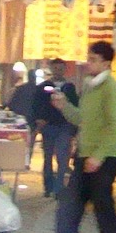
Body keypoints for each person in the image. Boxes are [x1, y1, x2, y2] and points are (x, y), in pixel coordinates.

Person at [36, 42, 116, 233]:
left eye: (92, 59)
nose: (87, 62)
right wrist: (64, 107)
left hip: (103, 160)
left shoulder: (112, 91)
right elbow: (83, 120)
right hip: (85, 157)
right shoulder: (90, 89)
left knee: (105, 215)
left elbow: (115, 129)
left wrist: (98, 156)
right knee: (67, 210)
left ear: (105, 63)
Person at [33, 62, 78, 197]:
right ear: (51, 69)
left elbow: (75, 105)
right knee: (47, 158)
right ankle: (48, 187)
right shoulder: (43, 86)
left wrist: (74, 127)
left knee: (63, 159)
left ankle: (58, 188)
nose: (58, 70)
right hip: (48, 126)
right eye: (56, 68)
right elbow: (37, 105)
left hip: (65, 126)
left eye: (61, 68)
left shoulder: (69, 87)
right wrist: (39, 120)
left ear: (65, 69)